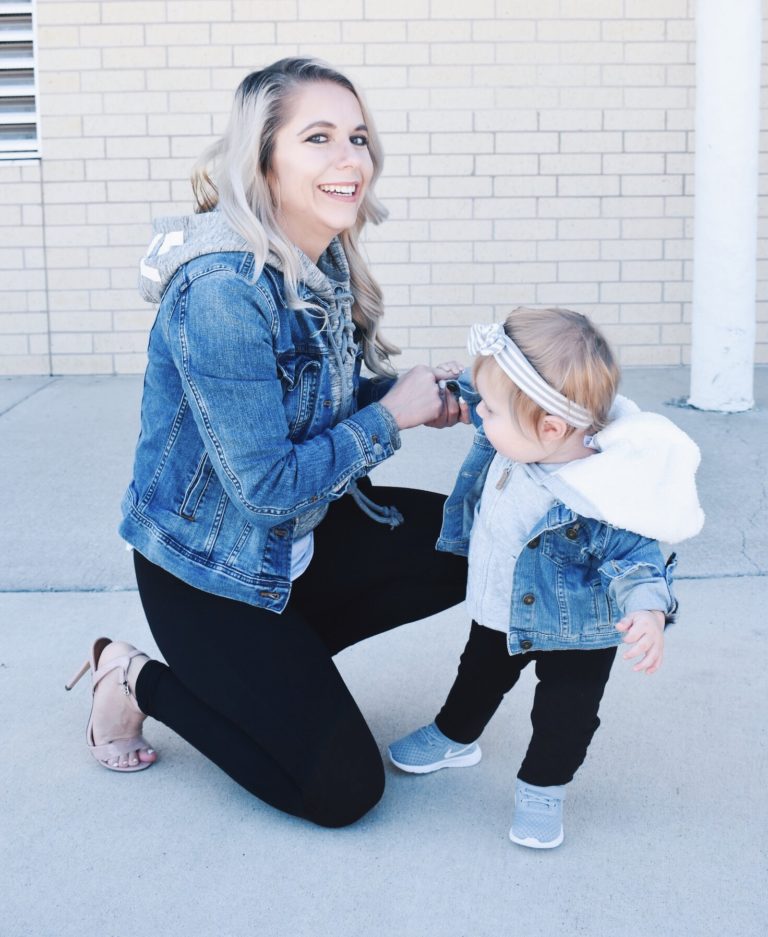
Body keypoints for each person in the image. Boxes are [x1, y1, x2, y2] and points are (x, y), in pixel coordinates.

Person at [65, 58, 470, 828]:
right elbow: (265, 487)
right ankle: (135, 677)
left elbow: (314, 407)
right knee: (345, 792)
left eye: (357, 136)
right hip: (215, 573)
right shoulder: (222, 289)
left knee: (473, 540)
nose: (350, 158)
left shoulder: (321, 258)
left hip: (300, 544)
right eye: (318, 138)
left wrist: (408, 398)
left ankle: (268, 675)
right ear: (263, 160)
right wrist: (390, 420)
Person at [388, 308, 704, 849]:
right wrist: (459, 392)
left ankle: (543, 787)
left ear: (551, 428)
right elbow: (500, 398)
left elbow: (637, 556)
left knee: (566, 715)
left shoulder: (601, 491)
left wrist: (648, 610)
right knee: (477, 676)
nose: (479, 414)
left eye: (489, 409)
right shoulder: (520, 433)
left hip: (577, 632)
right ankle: (455, 735)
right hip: (502, 607)